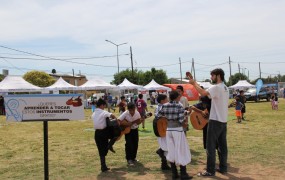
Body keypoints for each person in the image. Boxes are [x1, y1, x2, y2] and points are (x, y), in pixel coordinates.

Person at [188, 68, 229, 176]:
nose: (211, 78)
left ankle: (210, 170)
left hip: (215, 120)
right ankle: (223, 168)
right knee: (222, 146)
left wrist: (193, 83)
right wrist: (194, 82)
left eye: (212, 75)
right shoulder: (225, 87)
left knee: (210, 146)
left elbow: (202, 93)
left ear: (218, 75)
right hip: (223, 121)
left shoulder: (216, 87)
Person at [157, 90, 192, 179]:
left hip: (169, 130)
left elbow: (158, 115)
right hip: (178, 130)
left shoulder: (165, 105)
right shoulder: (179, 105)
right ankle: (183, 174)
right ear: (177, 97)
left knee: (171, 151)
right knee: (181, 150)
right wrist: (188, 113)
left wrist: (168, 118)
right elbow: (181, 120)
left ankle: (174, 174)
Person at [91, 98, 117, 172]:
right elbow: (112, 115)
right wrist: (116, 120)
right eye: (104, 105)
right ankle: (110, 145)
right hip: (104, 132)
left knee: (101, 150)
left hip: (97, 133)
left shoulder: (93, 113)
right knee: (116, 133)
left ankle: (103, 166)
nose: (104, 107)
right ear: (102, 105)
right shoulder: (103, 112)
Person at [154, 94, 171, 170]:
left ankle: (164, 164)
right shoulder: (162, 107)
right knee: (165, 146)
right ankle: (160, 152)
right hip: (162, 128)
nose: (167, 100)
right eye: (166, 99)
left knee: (164, 145)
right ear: (162, 101)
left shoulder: (159, 106)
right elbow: (159, 116)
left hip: (161, 128)